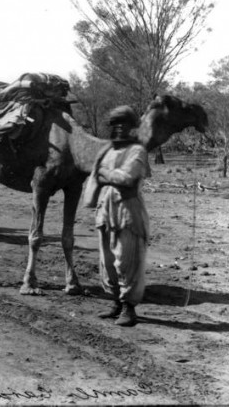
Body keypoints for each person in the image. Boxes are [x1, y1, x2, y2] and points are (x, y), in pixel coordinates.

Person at [88, 106, 149, 327]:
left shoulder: (137, 151)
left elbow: (127, 178)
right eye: (116, 124)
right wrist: (104, 176)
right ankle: (115, 301)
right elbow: (96, 178)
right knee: (107, 260)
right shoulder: (108, 151)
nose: (120, 128)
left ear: (132, 127)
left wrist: (104, 174)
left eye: (124, 124)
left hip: (128, 210)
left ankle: (129, 308)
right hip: (106, 209)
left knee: (127, 258)